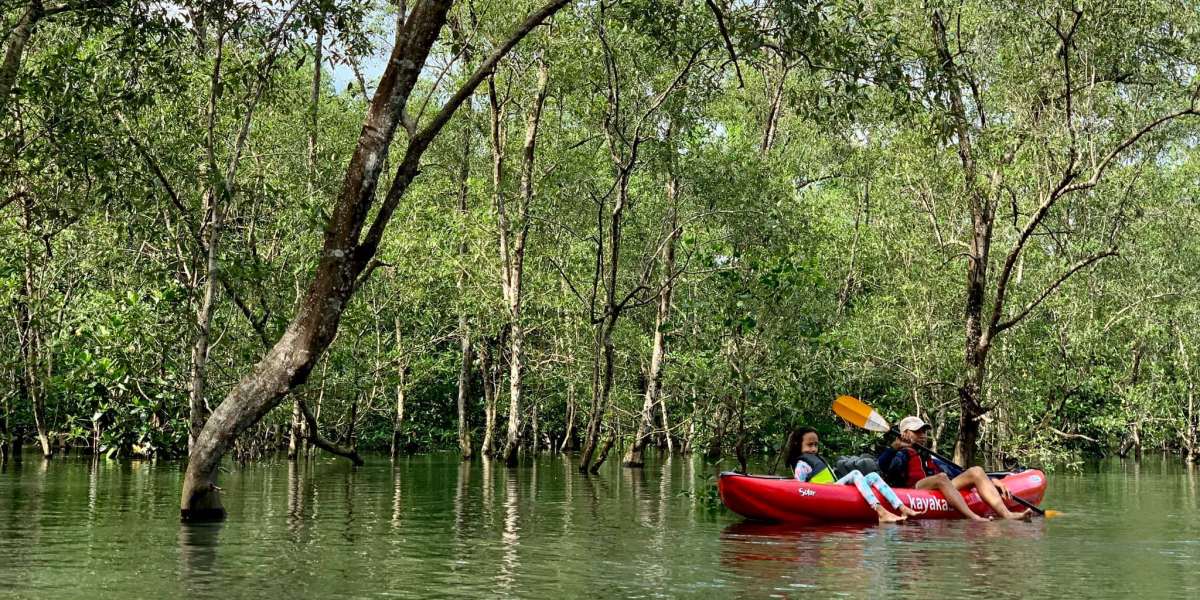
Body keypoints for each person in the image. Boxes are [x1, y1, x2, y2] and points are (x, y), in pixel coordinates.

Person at [880, 416, 1030, 521]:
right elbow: (883, 466)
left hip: (936, 487)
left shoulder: (928, 455)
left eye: (924, 432)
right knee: (942, 478)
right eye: (917, 432)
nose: (922, 435)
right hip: (914, 490)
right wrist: (894, 447)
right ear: (905, 433)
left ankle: (1007, 514)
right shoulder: (900, 454)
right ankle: (974, 517)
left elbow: (959, 473)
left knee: (976, 471)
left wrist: (992, 480)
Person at [786, 427, 923, 524]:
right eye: (810, 445)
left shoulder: (815, 459)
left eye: (816, 445)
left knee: (873, 476)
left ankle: (902, 508)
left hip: (833, 489)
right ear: (799, 445)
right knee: (856, 473)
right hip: (821, 492)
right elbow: (799, 488)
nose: (814, 449)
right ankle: (881, 512)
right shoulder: (802, 464)